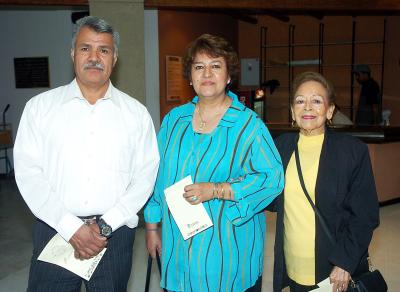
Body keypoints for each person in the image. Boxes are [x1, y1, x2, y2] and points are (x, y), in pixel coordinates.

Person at [14, 16, 159, 291]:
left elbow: (145, 177)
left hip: (114, 236)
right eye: (85, 48)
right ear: (72, 54)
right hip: (55, 229)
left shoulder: (136, 114)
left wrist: (105, 226)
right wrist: (71, 227)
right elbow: (28, 173)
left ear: (114, 58)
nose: (94, 57)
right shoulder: (40, 108)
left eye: (103, 50)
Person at [144, 34, 284, 292]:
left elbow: (272, 178)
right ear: (190, 76)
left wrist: (217, 190)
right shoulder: (174, 120)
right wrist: (152, 226)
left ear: (229, 75)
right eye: (199, 67)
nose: (207, 73)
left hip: (229, 249)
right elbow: (157, 175)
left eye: (216, 66)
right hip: (179, 248)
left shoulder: (248, 125)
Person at [269, 71, 379, 292]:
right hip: (292, 262)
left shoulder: (352, 151)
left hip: (332, 265)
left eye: (316, 101)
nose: (307, 107)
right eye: (300, 101)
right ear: (292, 110)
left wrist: (344, 262)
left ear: (329, 111)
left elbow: (365, 216)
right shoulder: (281, 146)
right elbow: (270, 198)